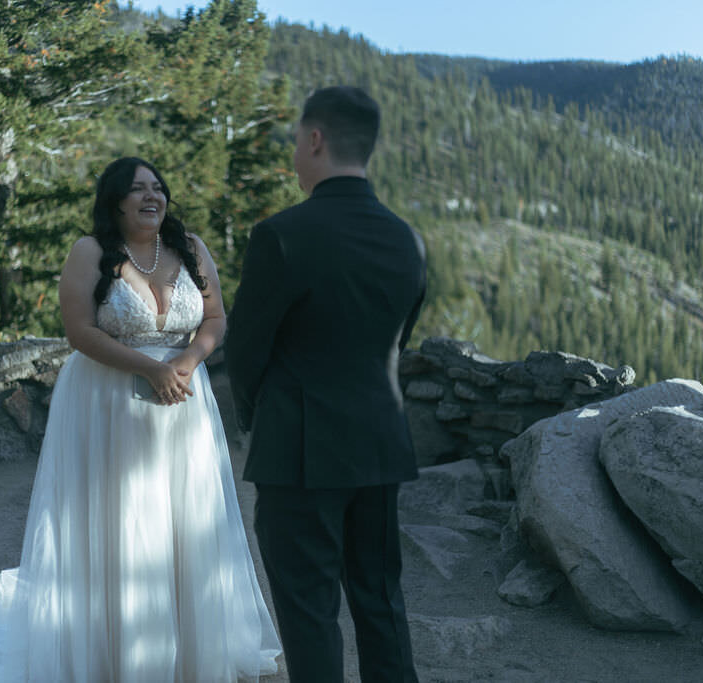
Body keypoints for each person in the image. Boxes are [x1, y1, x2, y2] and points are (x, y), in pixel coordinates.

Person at [0, 157, 280, 681]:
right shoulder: (90, 252)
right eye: (137, 189)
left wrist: (185, 363)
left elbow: (216, 317)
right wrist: (150, 368)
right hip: (109, 401)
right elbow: (80, 332)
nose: (151, 197)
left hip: (184, 402)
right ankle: (117, 651)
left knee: (184, 519)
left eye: (158, 187)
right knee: (122, 519)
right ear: (115, 201)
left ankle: (188, 648)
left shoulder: (191, 248)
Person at [225, 86, 427, 683]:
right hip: (382, 445)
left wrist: (259, 417)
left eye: (296, 140)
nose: (294, 153)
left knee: (309, 611)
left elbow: (247, 348)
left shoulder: (281, 235)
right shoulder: (408, 240)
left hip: (300, 451)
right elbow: (397, 342)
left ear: (315, 140)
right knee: (381, 600)